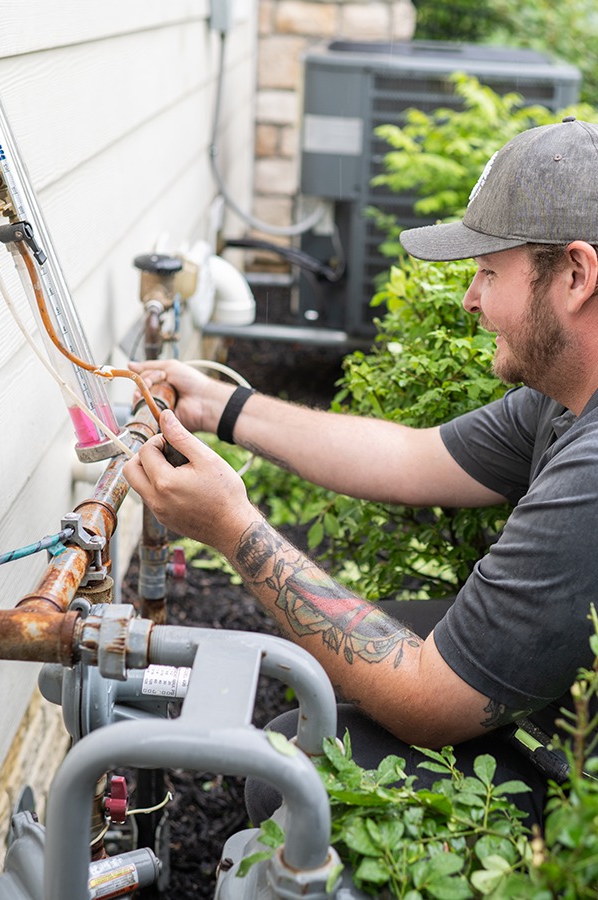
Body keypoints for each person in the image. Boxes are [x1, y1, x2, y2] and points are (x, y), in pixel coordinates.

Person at [123, 117, 598, 826]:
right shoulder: (566, 399)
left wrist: (232, 527)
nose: (471, 298)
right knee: (339, 673)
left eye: (489, 271)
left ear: (576, 275)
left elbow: (431, 700)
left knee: (291, 769)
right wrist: (221, 404)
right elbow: (412, 458)